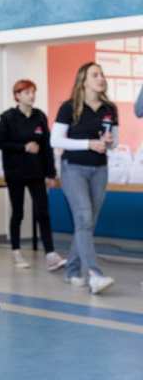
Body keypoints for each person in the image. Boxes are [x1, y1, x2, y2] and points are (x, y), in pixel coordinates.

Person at [52, 61, 117, 295]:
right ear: (84, 80)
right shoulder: (69, 107)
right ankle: (95, 274)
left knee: (86, 223)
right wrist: (88, 143)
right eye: (95, 74)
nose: (101, 78)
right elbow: (55, 141)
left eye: (102, 74)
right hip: (73, 168)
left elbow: (114, 142)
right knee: (84, 217)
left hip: (100, 169)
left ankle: (71, 269)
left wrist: (108, 143)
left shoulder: (109, 108)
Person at [0, 79, 65, 271]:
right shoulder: (8, 118)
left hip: (37, 172)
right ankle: (16, 251)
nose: (31, 96)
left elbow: (47, 148)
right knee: (18, 212)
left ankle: (50, 253)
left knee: (43, 212)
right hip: (16, 172)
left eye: (33, 92)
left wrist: (51, 173)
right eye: (26, 92)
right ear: (17, 96)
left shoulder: (40, 117)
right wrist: (23, 147)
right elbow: (0, 143)